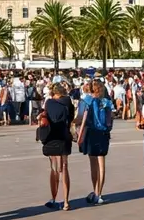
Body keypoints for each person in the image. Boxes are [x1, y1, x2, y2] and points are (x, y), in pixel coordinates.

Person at [77, 79, 114, 205]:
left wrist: (79, 135)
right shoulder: (107, 102)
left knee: (93, 165)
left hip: (91, 133)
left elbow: (82, 118)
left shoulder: (86, 100)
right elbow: (110, 120)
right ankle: (99, 193)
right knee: (102, 164)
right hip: (103, 133)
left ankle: (95, 190)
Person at [39, 82, 74, 210]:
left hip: (52, 136)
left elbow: (45, 117)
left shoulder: (49, 103)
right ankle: (65, 201)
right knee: (64, 167)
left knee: (54, 168)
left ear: (53, 92)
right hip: (64, 136)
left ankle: (54, 198)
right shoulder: (68, 102)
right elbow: (71, 118)